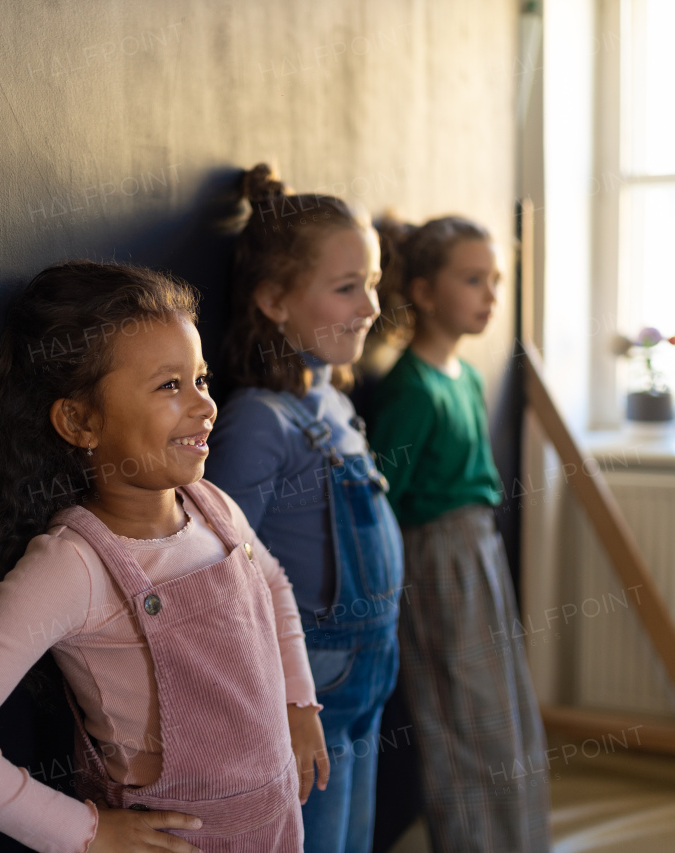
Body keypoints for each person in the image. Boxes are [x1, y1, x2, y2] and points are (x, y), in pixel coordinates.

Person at [0, 261, 327, 853]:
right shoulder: (74, 566)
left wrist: (298, 699)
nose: (204, 406)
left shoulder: (213, 505)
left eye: (201, 379)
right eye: (169, 386)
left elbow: (271, 586)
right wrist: (84, 833)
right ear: (80, 421)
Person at [205, 165, 402, 853]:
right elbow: (221, 571)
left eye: (372, 283)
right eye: (347, 287)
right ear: (275, 300)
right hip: (311, 678)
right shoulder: (259, 420)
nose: (371, 306)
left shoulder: (335, 401)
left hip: (370, 665)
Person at [369, 216, 550, 853]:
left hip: (480, 551)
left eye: (495, 280)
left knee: (502, 712)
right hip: (438, 559)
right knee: (462, 718)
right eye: (472, 279)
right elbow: (378, 503)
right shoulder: (410, 390)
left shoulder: (466, 377)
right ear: (422, 289)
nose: (490, 295)